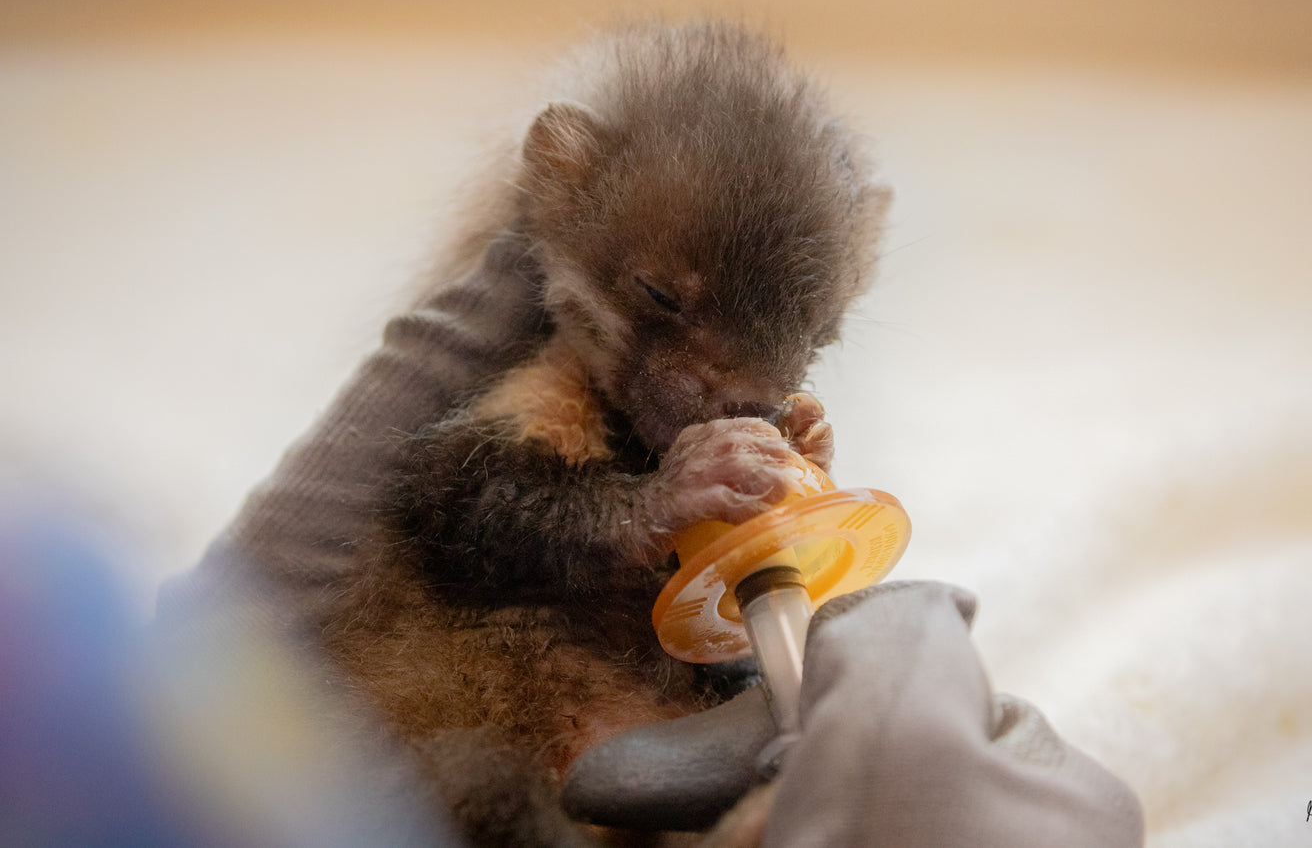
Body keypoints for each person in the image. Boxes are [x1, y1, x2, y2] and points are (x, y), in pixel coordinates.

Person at [152, 230, 1143, 846]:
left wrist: (771, 487)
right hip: (474, 741)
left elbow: (725, 591)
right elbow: (473, 520)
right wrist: (650, 502)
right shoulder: (542, 384)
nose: (730, 385)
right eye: (672, 309)